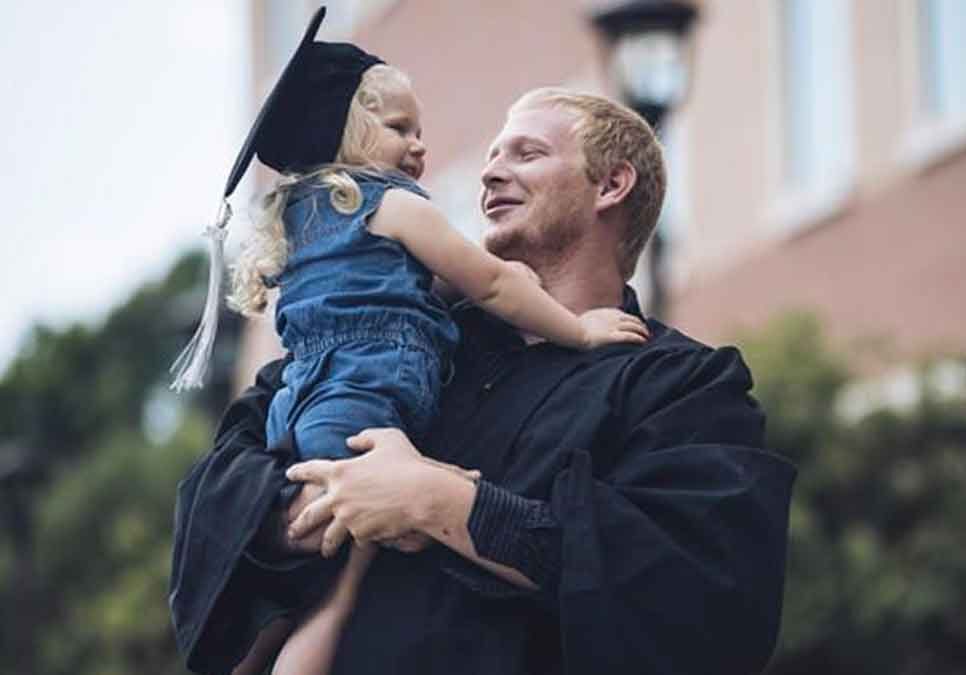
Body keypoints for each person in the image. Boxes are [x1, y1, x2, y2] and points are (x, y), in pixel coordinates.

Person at [170, 25, 796, 675]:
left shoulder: (680, 388)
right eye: (493, 155)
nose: (491, 170)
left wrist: (437, 501)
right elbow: (215, 490)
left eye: (526, 154)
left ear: (611, 185)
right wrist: (320, 503)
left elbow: (700, 598)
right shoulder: (399, 331)